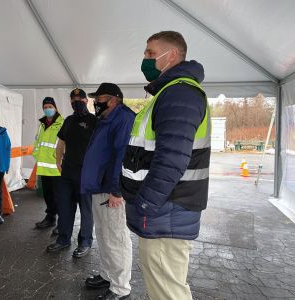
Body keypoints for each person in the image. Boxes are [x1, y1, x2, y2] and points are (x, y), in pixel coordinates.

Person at [121, 31, 211, 300]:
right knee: (162, 284)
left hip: (165, 209)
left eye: (150, 53)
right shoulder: (168, 93)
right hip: (165, 209)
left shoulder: (179, 94)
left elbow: (172, 159)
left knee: (167, 290)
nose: (145, 59)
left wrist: (147, 203)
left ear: (171, 55)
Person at [81, 83, 135, 300]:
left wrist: (117, 190)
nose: (96, 102)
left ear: (114, 99)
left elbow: (123, 156)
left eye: (100, 98)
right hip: (99, 187)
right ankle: (107, 275)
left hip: (111, 190)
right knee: (104, 234)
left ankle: (121, 288)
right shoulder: (106, 119)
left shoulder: (124, 118)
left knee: (116, 237)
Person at [46, 88, 97, 258]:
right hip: (67, 173)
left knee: (86, 210)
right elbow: (61, 143)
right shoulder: (68, 120)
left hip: (86, 174)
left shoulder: (95, 121)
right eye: (73, 99)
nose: (77, 102)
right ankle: (63, 239)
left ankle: (85, 242)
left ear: (86, 100)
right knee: (65, 208)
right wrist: (58, 161)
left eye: (80, 99)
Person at [33, 97, 64, 232]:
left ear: (55, 107)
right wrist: (36, 155)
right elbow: (37, 142)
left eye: (50, 106)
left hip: (57, 168)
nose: (47, 109)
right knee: (48, 195)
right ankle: (50, 218)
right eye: (45, 107)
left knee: (60, 197)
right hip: (44, 167)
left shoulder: (62, 123)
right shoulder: (42, 124)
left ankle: (62, 223)